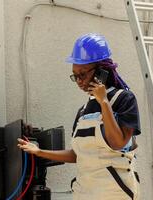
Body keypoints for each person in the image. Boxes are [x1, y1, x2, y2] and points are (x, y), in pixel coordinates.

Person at [17, 33, 141, 200]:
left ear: (101, 71)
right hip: (85, 193)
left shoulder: (124, 99)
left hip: (114, 192)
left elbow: (118, 142)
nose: (79, 81)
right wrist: (39, 152)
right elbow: (77, 155)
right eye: (75, 76)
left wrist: (104, 101)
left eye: (82, 74)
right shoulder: (83, 112)